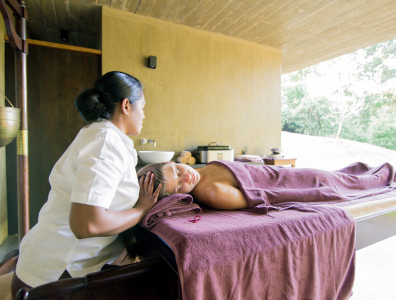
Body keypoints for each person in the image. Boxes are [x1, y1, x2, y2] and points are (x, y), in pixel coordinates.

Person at [11, 71, 162, 297]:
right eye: (143, 106)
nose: (144, 114)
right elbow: (87, 224)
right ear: (126, 106)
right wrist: (140, 210)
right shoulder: (105, 143)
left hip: (48, 263)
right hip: (56, 277)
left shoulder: (103, 136)